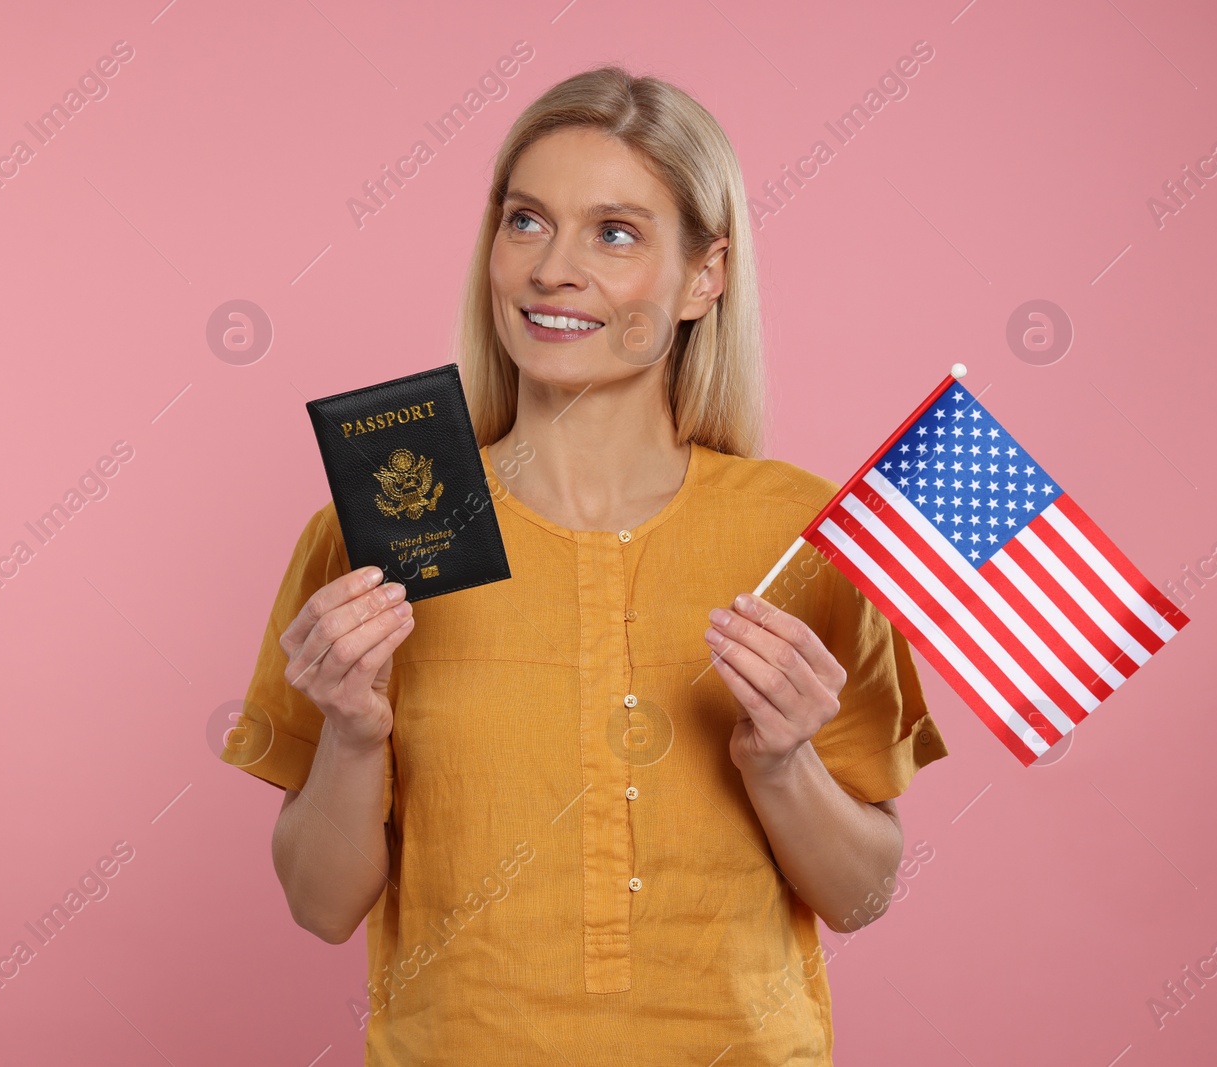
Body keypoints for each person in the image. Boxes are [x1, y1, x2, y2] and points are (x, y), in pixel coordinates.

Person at [221, 64, 949, 1065]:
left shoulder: (809, 537)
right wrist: (352, 733)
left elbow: (861, 895)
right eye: (525, 221)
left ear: (706, 275)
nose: (550, 268)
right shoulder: (376, 534)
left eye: (614, 232)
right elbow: (317, 903)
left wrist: (781, 765)